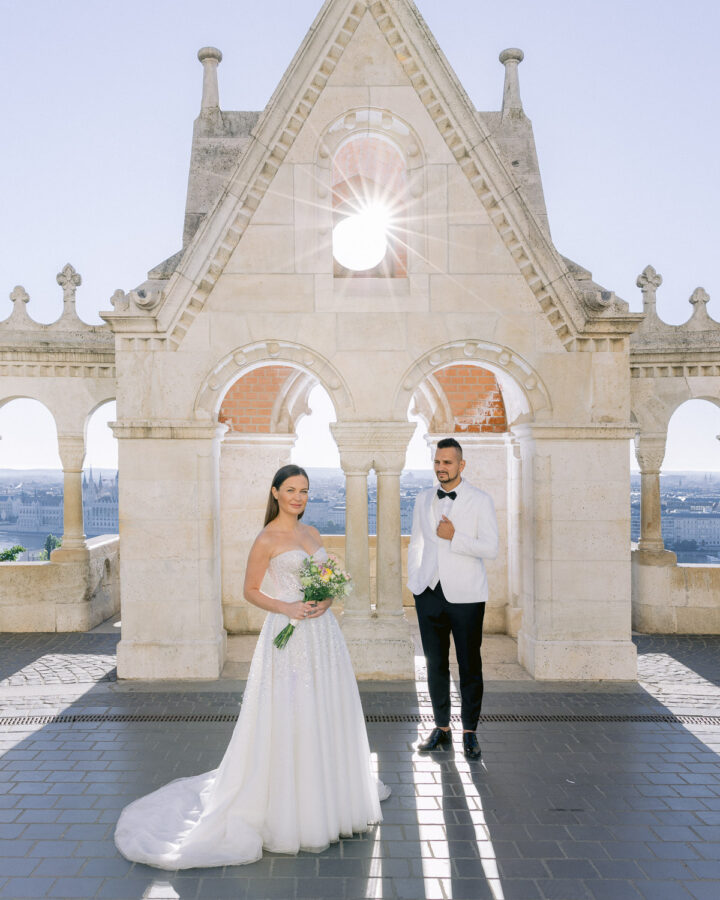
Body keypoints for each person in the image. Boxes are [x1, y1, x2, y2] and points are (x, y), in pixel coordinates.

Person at [115, 464, 389, 869]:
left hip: (323, 637)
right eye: (291, 490)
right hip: (288, 636)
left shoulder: (311, 534)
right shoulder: (266, 538)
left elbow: (329, 582)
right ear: (276, 492)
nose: (299, 497)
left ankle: (330, 797)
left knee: (324, 711)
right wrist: (288, 607)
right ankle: (291, 808)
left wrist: (327, 600)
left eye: (305, 491)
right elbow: (250, 590)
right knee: (290, 714)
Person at [407, 438, 498, 761]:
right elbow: (417, 543)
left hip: (466, 596)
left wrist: (455, 537)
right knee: (435, 665)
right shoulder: (422, 499)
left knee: (469, 665)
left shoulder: (480, 500)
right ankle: (441, 728)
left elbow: (491, 548)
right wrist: (415, 582)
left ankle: (470, 732)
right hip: (428, 593)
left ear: (461, 465)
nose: (441, 467)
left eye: (447, 462)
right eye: (437, 462)